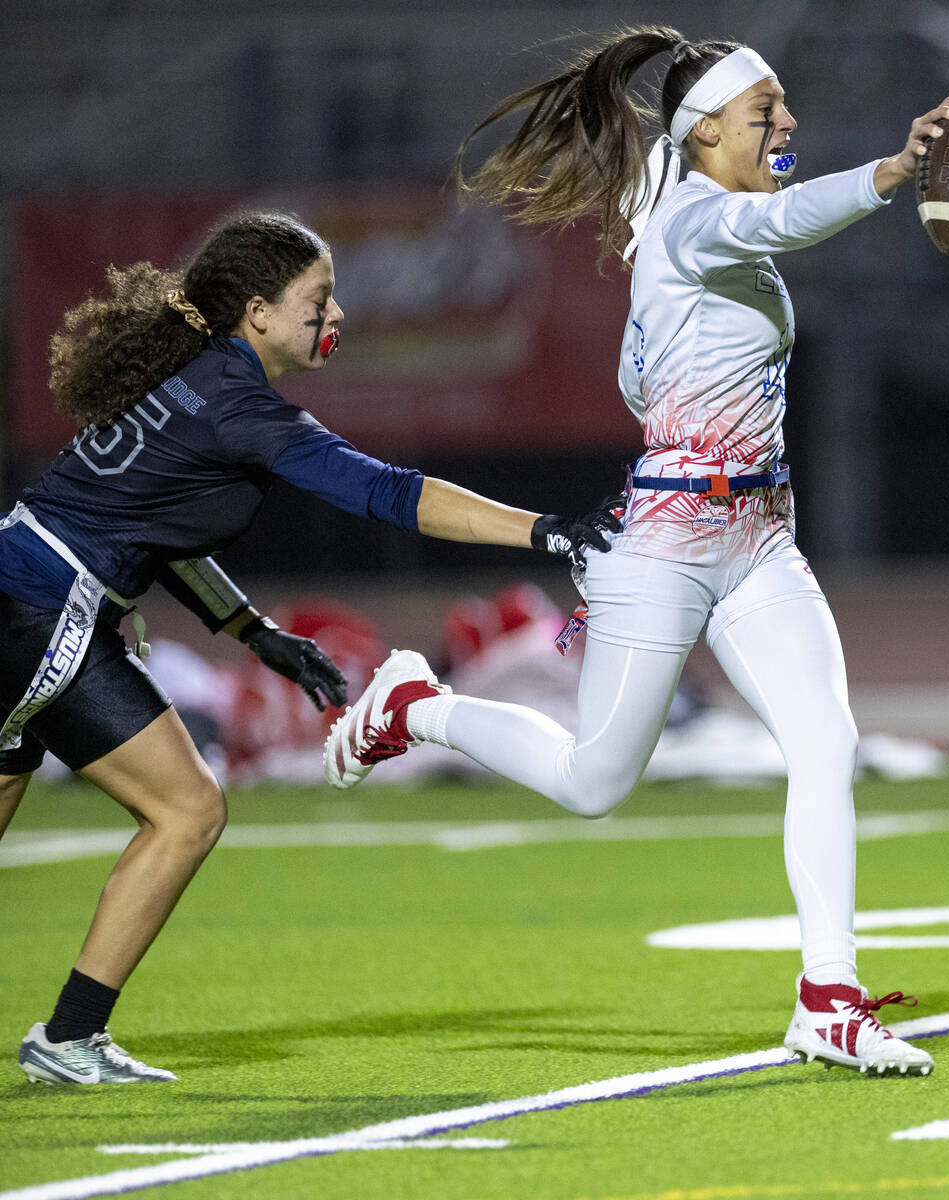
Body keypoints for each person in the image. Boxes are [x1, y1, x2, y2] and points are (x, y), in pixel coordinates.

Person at [326, 28, 949, 1077]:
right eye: (768, 111)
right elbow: (785, 215)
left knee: (826, 745)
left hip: (760, 538)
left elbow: (689, 287)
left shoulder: (689, 214)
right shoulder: (698, 221)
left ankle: (830, 999)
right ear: (705, 128)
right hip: (668, 540)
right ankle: (416, 707)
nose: (790, 123)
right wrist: (894, 172)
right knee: (593, 783)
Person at [1, 209, 618, 1085]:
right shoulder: (240, 406)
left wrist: (253, 632)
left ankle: (70, 1039)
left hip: (21, 585)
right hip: (43, 607)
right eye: (317, 300)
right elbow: (392, 493)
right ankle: (69, 1038)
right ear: (255, 313)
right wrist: (547, 532)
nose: (337, 318)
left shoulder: (195, 375)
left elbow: (155, 528)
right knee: (189, 811)